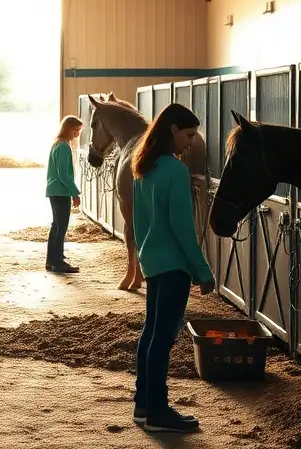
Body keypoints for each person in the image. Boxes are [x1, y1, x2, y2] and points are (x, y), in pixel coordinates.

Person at [129, 103, 215, 434]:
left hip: (153, 262)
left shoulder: (144, 167)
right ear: (173, 130)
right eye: (189, 134)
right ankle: (159, 412)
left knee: (151, 333)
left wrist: (144, 255)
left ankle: (144, 405)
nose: (191, 142)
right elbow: (183, 230)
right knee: (162, 338)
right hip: (174, 266)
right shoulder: (175, 171)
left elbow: (137, 221)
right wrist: (202, 271)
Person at [45, 115, 84, 273]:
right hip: (61, 192)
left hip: (55, 190)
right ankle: (58, 262)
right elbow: (63, 175)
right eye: (76, 130)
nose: (77, 134)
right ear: (68, 129)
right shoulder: (63, 147)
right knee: (61, 227)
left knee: (56, 226)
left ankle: (52, 260)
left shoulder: (57, 144)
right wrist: (75, 192)